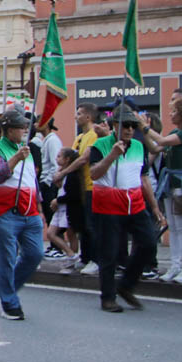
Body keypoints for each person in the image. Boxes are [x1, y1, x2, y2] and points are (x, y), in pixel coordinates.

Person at [89, 108, 164, 312]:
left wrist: (155, 206)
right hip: (109, 205)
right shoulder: (100, 146)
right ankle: (108, 297)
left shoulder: (140, 147)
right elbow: (94, 174)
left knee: (149, 243)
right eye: (126, 125)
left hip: (135, 203)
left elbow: (144, 177)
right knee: (110, 253)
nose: (130, 130)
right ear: (115, 126)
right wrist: (112, 156)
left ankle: (126, 285)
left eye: (133, 126)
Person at [0, 110, 44, 320]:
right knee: (7, 259)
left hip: (30, 211)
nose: (25, 131)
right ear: (10, 130)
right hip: (5, 212)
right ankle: (10, 303)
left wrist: (40, 206)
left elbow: (31, 180)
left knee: (36, 253)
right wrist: (17, 158)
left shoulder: (24, 149)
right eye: (21, 128)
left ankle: (6, 285)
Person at [140, 98, 182, 283]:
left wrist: (144, 127)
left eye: (174, 111)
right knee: (174, 228)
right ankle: (175, 266)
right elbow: (154, 146)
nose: (171, 114)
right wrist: (144, 131)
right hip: (171, 183)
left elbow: (159, 140)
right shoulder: (176, 132)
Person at [57, 103, 101, 275]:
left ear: (88, 117)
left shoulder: (93, 135)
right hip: (78, 189)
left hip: (91, 186)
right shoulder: (78, 138)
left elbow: (83, 159)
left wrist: (63, 173)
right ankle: (85, 257)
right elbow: (72, 158)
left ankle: (95, 259)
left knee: (91, 225)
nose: (76, 116)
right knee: (81, 225)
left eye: (79, 113)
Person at [38, 119, 63, 223]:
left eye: (38, 121)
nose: (35, 124)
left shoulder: (52, 140)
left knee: (52, 219)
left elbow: (56, 164)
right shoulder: (46, 140)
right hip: (46, 183)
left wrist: (47, 182)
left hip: (49, 185)